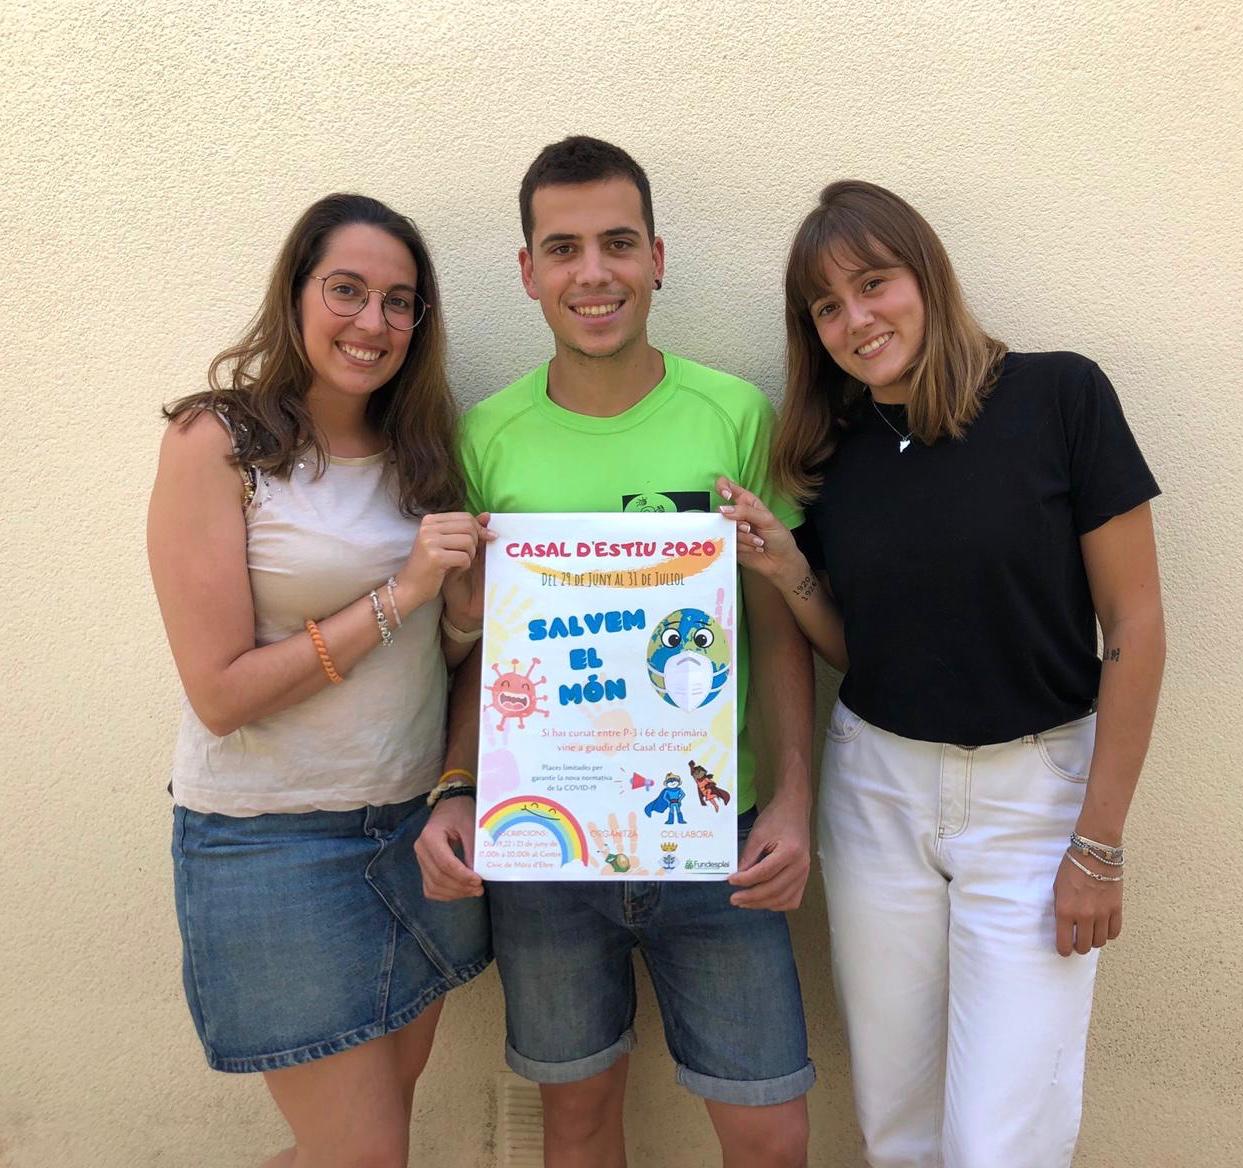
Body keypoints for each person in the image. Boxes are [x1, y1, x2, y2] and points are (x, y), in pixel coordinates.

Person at [719, 180, 1165, 1168]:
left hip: (1034, 799)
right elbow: (863, 648)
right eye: (825, 306)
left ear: (925, 276)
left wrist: (1098, 844)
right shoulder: (831, 451)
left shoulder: (1059, 397)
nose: (854, 320)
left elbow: (1134, 626)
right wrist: (788, 570)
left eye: (872, 284)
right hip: (876, 789)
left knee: (1002, 1142)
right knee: (896, 1127)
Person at [415, 137, 815, 1168]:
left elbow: (771, 623)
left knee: (770, 1135)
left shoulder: (734, 414)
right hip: (543, 846)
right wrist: (456, 787)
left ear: (656, 258)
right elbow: (479, 650)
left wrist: (793, 804)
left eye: (617, 243)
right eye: (563, 248)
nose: (592, 273)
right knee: (578, 1122)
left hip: (715, 836)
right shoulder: (486, 436)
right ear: (527, 272)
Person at [148, 193, 492, 1168]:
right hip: (274, 842)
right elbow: (220, 693)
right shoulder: (216, 442)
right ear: (295, 293)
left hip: (412, 831)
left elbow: (438, 654)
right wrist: (400, 592)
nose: (371, 322)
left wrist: (461, 608)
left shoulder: (424, 450)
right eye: (346, 290)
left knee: (362, 1145)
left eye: (398, 301)